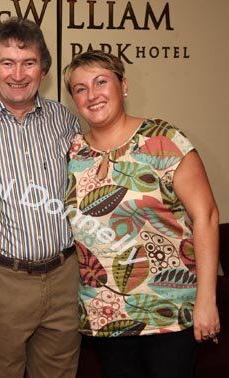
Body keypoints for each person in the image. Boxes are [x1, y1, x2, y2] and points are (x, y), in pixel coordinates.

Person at [62, 50, 220, 378]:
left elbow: (205, 215)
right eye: (80, 88)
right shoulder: (73, 151)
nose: (92, 95)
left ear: (124, 85)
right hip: (105, 314)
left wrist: (206, 300)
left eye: (101, 82)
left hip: (169, 310)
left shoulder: (164, 141)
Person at [0, 17, 81, 378]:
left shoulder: (65, 119)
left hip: (65, 277)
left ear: (43, 69)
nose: (18, 73)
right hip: (2, 281)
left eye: (28, 62)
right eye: (6, 63)